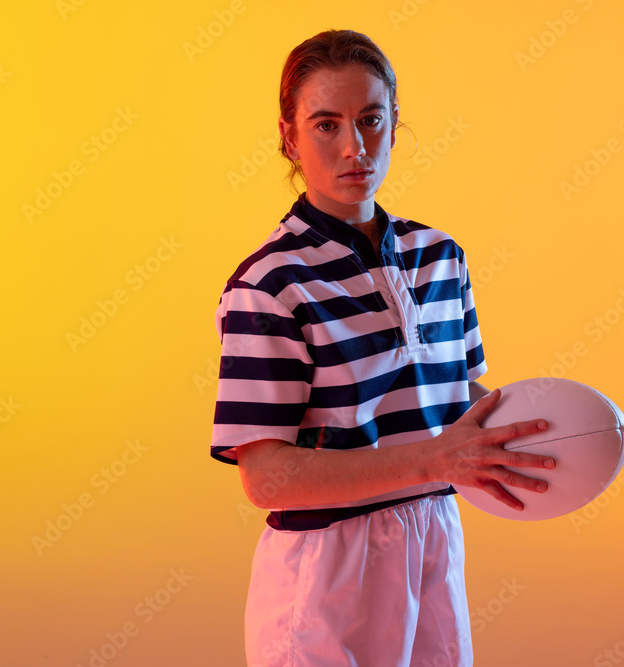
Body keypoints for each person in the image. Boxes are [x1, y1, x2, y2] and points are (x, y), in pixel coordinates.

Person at [210, 29, 556, 667]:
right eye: (325, 124)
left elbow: (455, 397)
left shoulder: (441, 257)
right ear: (289, 137)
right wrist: (433, 461)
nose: (353, 147)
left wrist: (554, 431)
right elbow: (266, 478)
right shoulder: (269, 286)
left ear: (396, 125)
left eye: (371, 120)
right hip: (323, 572)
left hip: (432, 546)